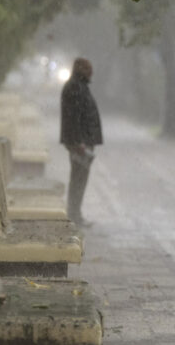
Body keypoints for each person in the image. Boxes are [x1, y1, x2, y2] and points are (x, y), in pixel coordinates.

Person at [60, 58, 103, 227]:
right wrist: (78, 143)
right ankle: (74, 214)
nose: (91, 71)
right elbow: (73, 118)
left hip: (82, 140)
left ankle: (75, 213)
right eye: (88, 68)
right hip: (80, 143)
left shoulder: (79, 86)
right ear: (81, 69)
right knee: (78, 178)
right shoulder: (75, 88)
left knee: (80, 178)